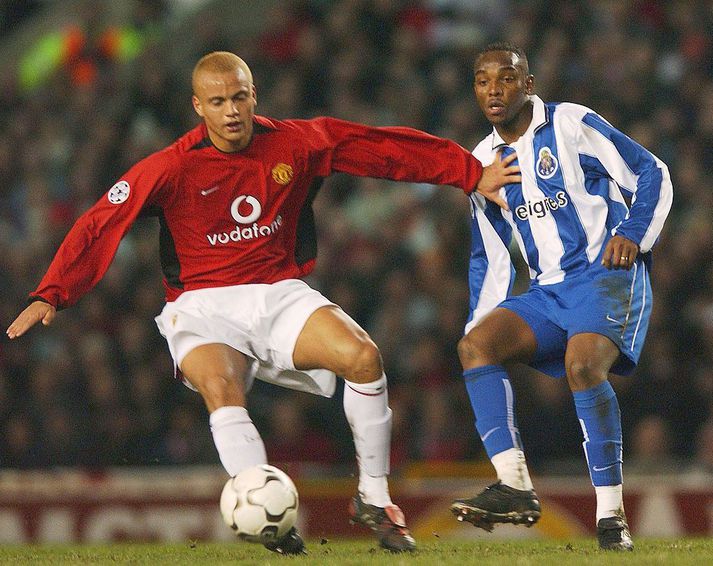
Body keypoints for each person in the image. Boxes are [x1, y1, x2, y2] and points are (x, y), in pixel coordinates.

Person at [6, 51, 519, 554]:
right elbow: (102, 220)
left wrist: (469, 172)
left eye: (239, 98)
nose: (230, 111)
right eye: (217, 101)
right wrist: (53, 291)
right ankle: (265, 512)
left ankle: (374, 498)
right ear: (197, 107)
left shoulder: (297, 143)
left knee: (364, 357)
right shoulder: (170, 167)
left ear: (254, 97)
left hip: (276, 291)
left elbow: (378, 147)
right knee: (222, 388)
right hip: (199, 304)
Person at [449, 43, 672, 551]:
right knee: (474, 348)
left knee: (581, 365)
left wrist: (635, 234)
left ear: (528, 84)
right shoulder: (483, 162)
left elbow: (652, 172)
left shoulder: (571, 124)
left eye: (505, 78)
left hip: (607, 273)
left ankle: (611, 515)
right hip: (547, 291)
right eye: (482, 82)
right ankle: (515, 485)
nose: (493, 90)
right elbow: (489, 255)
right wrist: (480, 320)